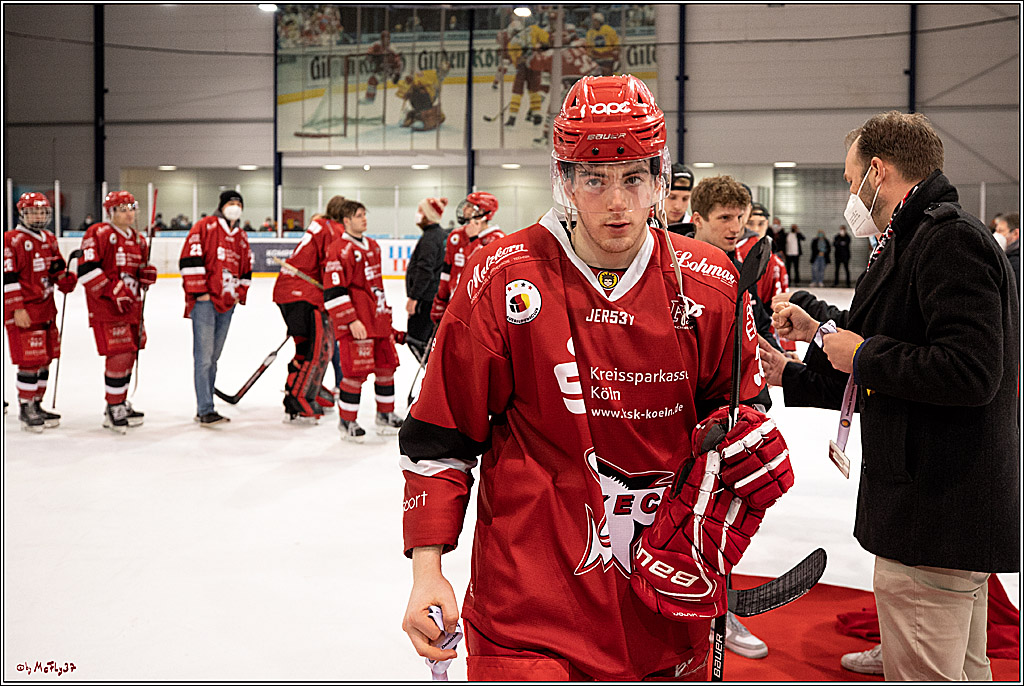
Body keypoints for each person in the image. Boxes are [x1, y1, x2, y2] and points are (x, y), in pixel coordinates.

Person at [399, 74, 793, 681]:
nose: (616, 201)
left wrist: (730, 482)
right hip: (526, 608)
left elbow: (740, 423)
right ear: (565, 181)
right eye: (594, 177)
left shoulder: (709, 282)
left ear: (659, 181)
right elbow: (441, 436)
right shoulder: (500, 276)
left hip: (663, 602)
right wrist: (428, 570)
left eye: (633, 178)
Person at [772, 110, 1019, 680]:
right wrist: (810, 345)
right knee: (961, 667)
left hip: (936, 510)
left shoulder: (948, 239)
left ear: (876, 172)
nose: (846, 189)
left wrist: (860, 354)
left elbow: (970, 370)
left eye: (848, 176)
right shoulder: (912, 238)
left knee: (926, 671)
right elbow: (892, 335)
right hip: (934, 505)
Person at [323, 200, 403, 441]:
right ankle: (347, 422)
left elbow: (377, 285)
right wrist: (350, 320)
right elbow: (334, 290)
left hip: (377, 320)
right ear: (346, 220)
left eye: (364, 215)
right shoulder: (339, 249)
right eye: (359, 216)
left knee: (386, 368)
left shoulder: (374, 246)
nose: (364, 219)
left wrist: (385, 317)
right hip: (357, 323)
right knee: (355, 374)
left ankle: (385, 415)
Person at [77, 191, 157, 433]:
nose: (128, 213)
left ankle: (120, 401)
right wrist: (113, 291)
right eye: (122, 209)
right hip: (107, 307)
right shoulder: (99, 233)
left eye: (131, 208)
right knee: (119, 355)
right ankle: (113, 407)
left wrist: (146, 276)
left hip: (131, 307)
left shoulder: (139, 239)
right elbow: (87, 270)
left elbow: (138, 272)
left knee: (130, 354)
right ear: (110, 212)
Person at [4, 192, 77, 431]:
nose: (38, 216)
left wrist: (66, 279)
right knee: (29, 360)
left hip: (47, 309)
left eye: (42, 212)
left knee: (45, 358)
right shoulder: (11, 239)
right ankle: (26, 405)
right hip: (25, 310)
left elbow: (57, 268)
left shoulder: (49, 238)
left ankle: (38, 402)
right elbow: (8, 277)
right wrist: (16, 308)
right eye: (33, 211)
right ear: (22, 214)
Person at [178, 190, 252, 426]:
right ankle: (205, 408)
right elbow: (189, 258)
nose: (235, 207)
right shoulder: (205, 226)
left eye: (238, 203)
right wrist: (199, 292)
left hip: (226, 303)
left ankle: (207, 403)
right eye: (231, 202)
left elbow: (246, 266)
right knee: (204, 357)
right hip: (206, 302)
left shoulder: (240, 236)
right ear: (221, 206)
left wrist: (240, 292)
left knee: (213, 356)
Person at [271, 196, 346, 423]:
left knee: (306, 347)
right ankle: (299, 398)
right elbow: (330, 266)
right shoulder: (332, 229)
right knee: (318, 350)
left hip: (291, 291)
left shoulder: (322, 225)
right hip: (302, 294)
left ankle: (301, 388)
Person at [430, 192, 504, 324]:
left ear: (482, 211)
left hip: (480, 310)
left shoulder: (497, 239)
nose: (464, 209)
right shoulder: (456, 236)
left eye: (470, 206)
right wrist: (440, 300)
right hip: (454, 304)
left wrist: (474, 239)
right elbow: (447, 271)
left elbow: (480, 270)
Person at [404, 197, 448, 362]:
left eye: (421, 211)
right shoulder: (442, 235)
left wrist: (414, 298)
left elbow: (424, 270)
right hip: (434, 296)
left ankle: (433, 379)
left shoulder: (430, 239)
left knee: (417, 339)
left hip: (426, 299)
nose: (418, 214)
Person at [993, 212, 1019, 296]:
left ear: (1015, 233)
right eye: (996, 231)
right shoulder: (1011, 257)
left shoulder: (1016, 263)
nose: (996, 235)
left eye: (1001, 231)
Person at [664, 163, 694, 234]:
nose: (678, 206)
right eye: (672, 197)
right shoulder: (644, 226)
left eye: (685, 199)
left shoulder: (696, 228)